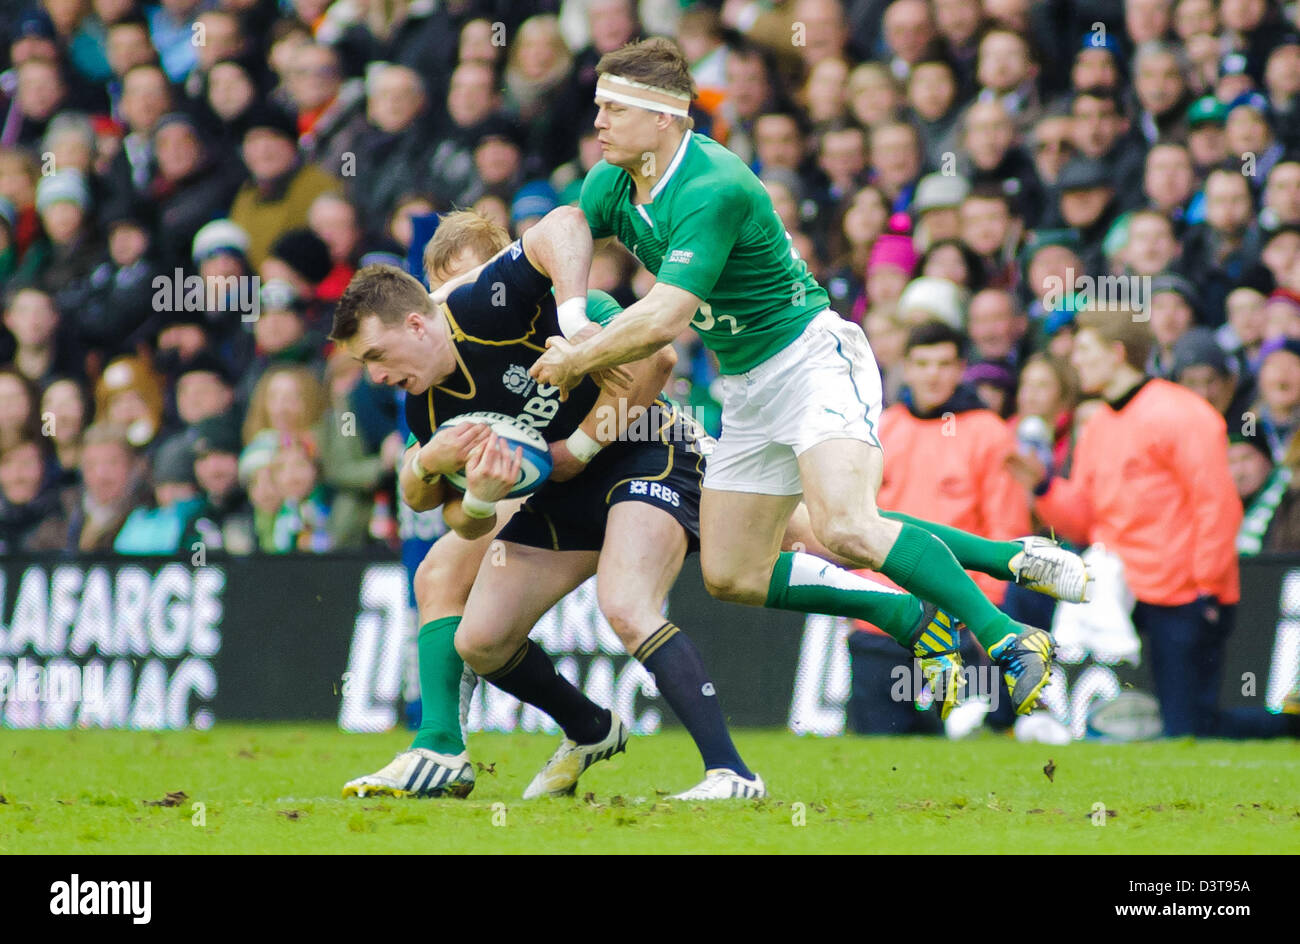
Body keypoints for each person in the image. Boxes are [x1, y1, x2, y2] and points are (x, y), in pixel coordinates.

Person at [530, 38, 1090, 717]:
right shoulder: (609, 183)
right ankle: (979, 575)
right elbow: (561, 230)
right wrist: (565, 307)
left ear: (666, 118)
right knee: (734, 572)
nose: (598, 123)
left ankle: (1009, 637)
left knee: (847, 524)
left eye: (614, 109)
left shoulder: (715, 186)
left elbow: (664, 317)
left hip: (811, 361)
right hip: (746, 386)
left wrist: (575, 355)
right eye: (598, 107)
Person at [331, 207, 770, 800]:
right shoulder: (426, 400)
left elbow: (654, 354)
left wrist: (575, 332)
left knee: (664, 588)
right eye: (443, 280)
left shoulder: (498, 303)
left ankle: (731, 772)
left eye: (375, 357)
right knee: (479, 637)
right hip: (561, 486)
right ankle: (581, 729)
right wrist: (471, 491)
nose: (373, 376)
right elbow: (445, 507)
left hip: (643, 449)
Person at [1006, 310, 1295, 738]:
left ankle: (1283, 727)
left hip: (1182, 594)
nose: (1076, 361)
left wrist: (1208, 588)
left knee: (1188, 727)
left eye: (1085, 350)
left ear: (1117, 352)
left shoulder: (1183, 414)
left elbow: (1216, 506)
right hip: (1116, 588)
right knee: (1026, 589)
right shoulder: (1099, 424)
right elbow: (1085, 523)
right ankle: (1009, 712)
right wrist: (1045, 486)